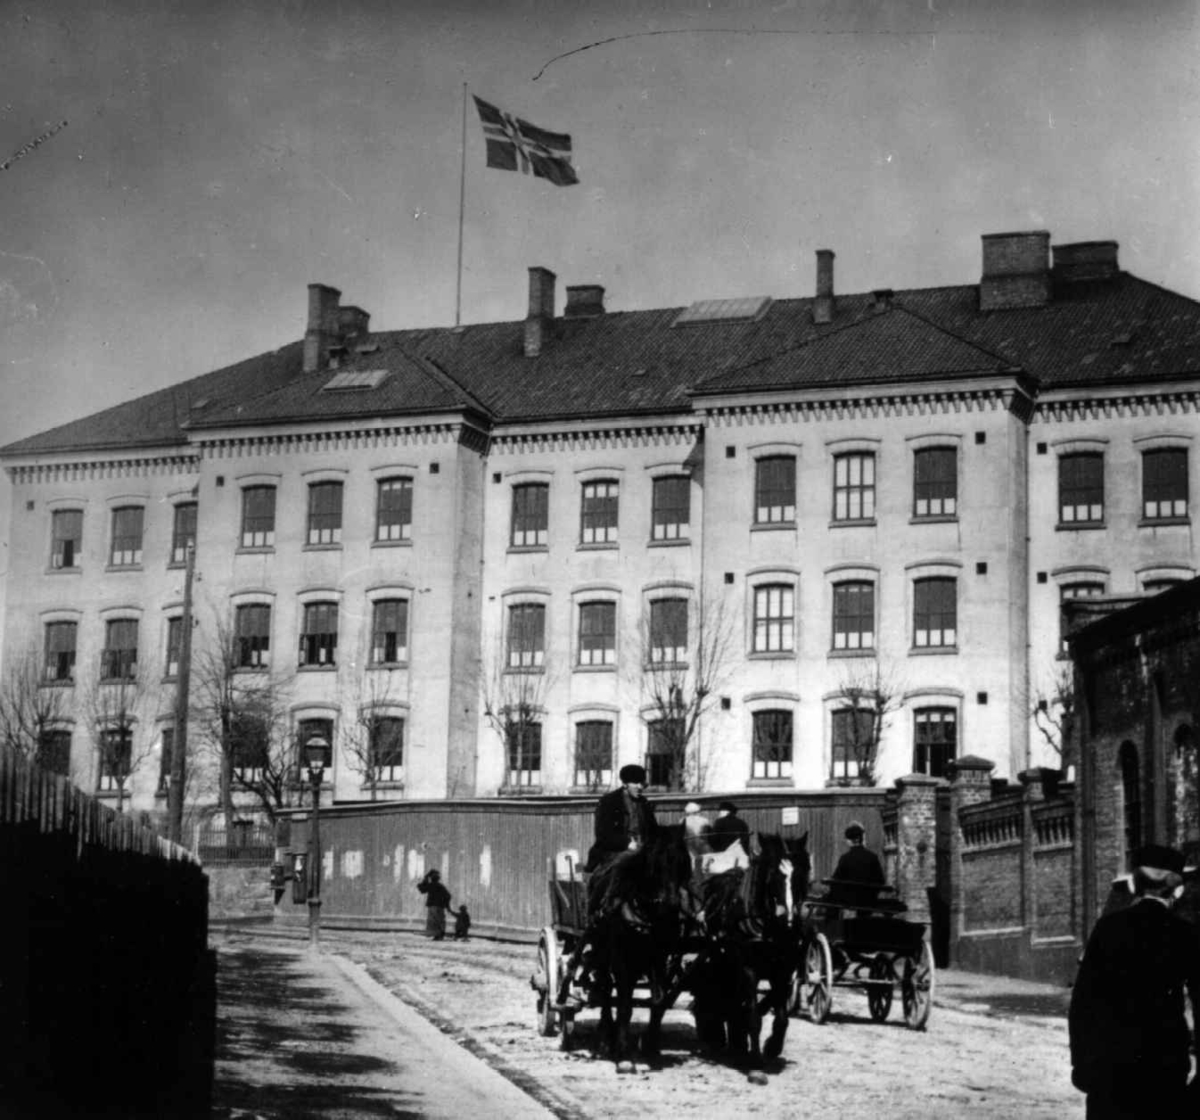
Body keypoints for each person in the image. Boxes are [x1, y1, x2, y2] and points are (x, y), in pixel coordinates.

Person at [1068, 844, 1200, 1118]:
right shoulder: (1184, 934)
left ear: (1132, 886)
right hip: (1166, 1068)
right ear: (1178, 891)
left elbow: (1083, 1004)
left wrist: (1081, 1065)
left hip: (1110, 1069)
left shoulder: (1108, 928)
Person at [828, 820, 886, 908]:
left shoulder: (845, 858)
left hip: (849, 900)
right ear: (861, 839)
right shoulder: (873, 857)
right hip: (869, 899)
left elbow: (836, 879)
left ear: (849, 841)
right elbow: (881, 880)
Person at [417, 868, 452, 941]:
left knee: (434, 921)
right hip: (439, 906)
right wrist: (447, 905)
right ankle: (439, 934)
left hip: (433, 906)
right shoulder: (439, 886)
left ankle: (438, 935)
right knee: (439, 920)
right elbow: (448, 896)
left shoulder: (432, 885)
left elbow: (422, 890)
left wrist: (425, 878)